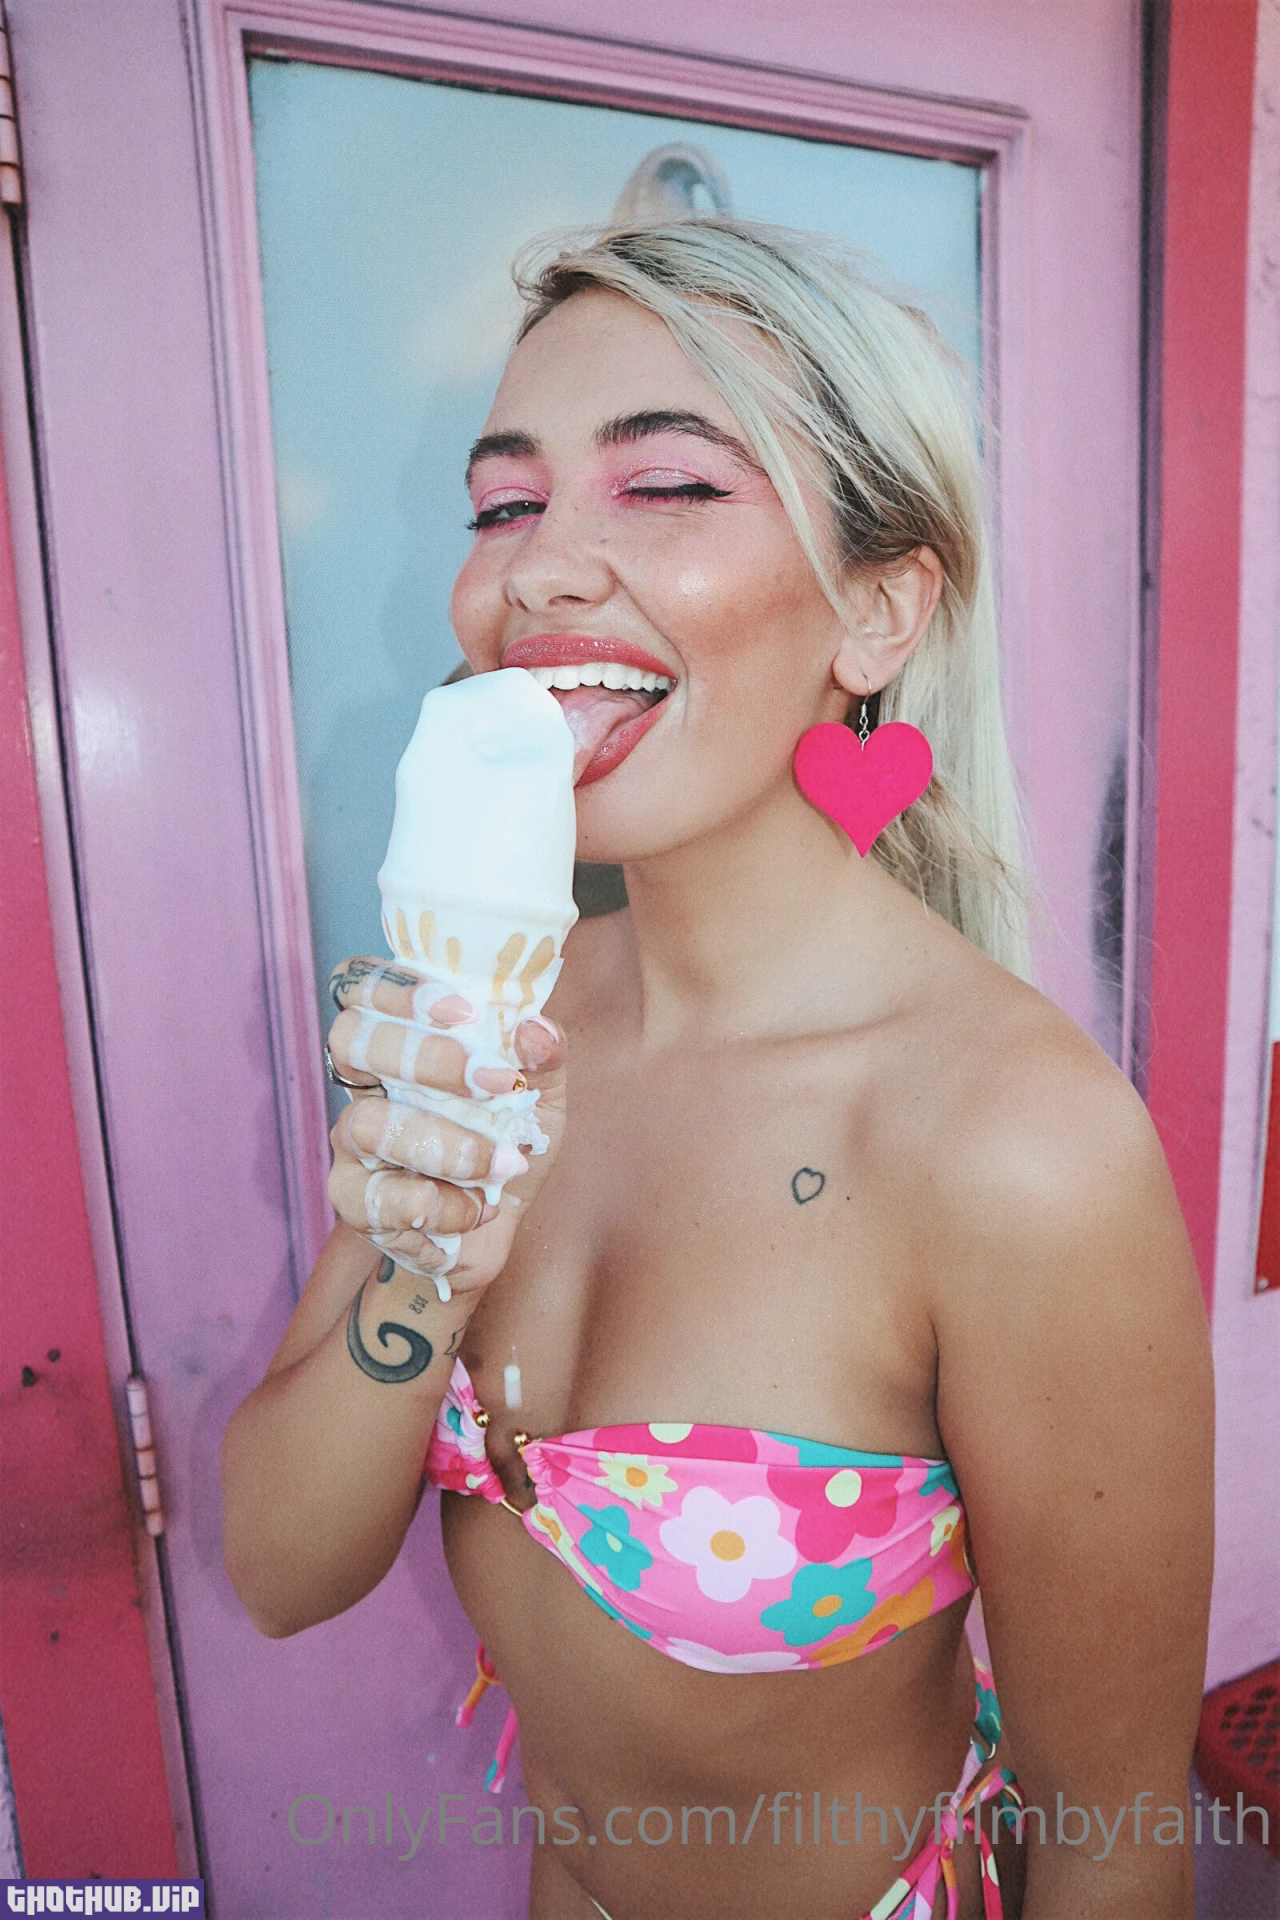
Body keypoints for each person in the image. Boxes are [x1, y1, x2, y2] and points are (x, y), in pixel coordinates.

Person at [222, 220, 1213, 1920]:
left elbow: (1116, 1842)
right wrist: (425, 1255)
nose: (540, 570)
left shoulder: (1015, 1145)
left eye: (668, 487)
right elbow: (280, 1569)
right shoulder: (492, 1018)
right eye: (505, 504)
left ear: (877, 613)